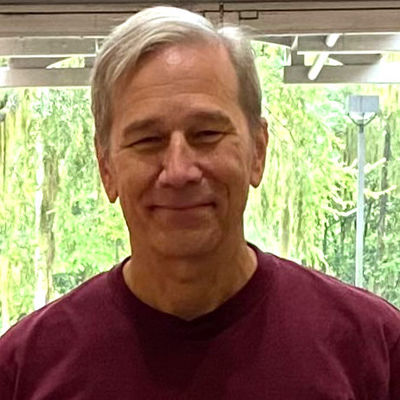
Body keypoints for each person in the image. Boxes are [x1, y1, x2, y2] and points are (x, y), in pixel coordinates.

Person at [1, 6, 399, 399]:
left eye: (207, 133)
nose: (179, 171)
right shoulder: (23, 371)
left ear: (257, 151)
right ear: (107, 167)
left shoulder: (375, 350)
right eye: (147, 140)